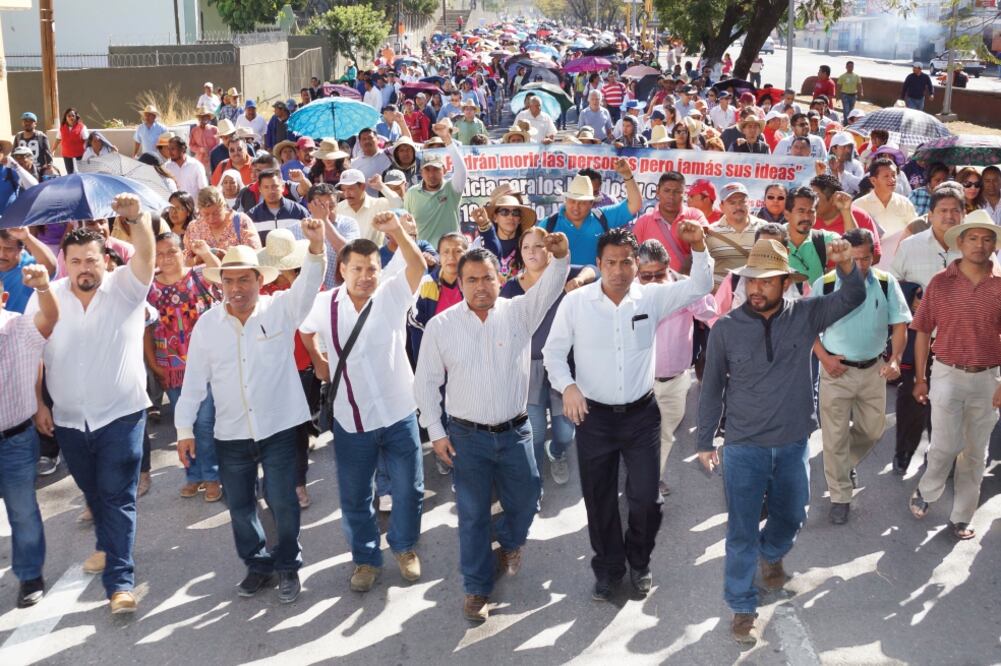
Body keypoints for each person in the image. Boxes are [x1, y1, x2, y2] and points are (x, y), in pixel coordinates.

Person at [696, 236, 863, 645]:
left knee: (793, 515)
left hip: (792, 442)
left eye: (767, 281)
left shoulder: (807, 314)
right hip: (743, 446)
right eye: (752, 280)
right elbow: (712, 386)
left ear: (786, 282)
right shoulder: (727, 329)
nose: (756, 289)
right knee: (739, 531)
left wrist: (845, 265)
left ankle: (771, 555)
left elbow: (854, 296)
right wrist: (705, 441)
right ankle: (741, 606)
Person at [544, 224, 712, 600]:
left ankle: (639, 562)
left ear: (636, 263)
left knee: (647, 500)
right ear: (599, 264)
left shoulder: (651, 299)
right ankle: (609, 569)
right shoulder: (576, 303)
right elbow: (553, 354)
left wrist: (699, 246)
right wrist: (568, 387)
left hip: (641, 417)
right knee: (599, 499)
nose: (619, 270)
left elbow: (699, 286)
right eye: (610, 262)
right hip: (594, 418)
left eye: (625, 262)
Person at [414, 235, 571, 623]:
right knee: (472, 516)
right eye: (471, 280)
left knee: (528, 496)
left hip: (517, 432)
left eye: (487, 278)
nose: (480, 286)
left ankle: (511, 541)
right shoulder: (441, 326)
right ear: (460, 281)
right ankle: (476, 588)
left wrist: (562, 255)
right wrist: (435, 431)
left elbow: (553, 283)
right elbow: (426, 382)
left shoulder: (519, 311)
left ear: (500, 278)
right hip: (467, 437)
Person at [174, 218, 325, 604]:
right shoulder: (207, 326)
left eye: (245, 280)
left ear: (261, 280)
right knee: (240, 506)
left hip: (278, 429)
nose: (237, 289)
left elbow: (308, 284)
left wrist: (316, 247)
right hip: (231, 435)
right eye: (230, 281)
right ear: (220, 284)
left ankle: (288, 565)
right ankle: (258, 565)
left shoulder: (281, 309)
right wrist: (183, 430)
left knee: (282, 500)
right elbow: (193, 384)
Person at [28, 194, 155, 614]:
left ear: (107, 261)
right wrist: (38, 404)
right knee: (94, 490)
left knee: (117, 495)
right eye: (77, 260)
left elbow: (147, 257)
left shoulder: (126, 290)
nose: (85, 267)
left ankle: (119, 581)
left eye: (92, 260)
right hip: (67, 419)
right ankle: (108, 544)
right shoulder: (47, 295)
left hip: (121, 415)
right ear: (65, 262)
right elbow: (35, 350)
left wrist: (135, 219)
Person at [299, 212, 426, 592]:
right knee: (356, 497)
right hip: (351, 420)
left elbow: (417, 265)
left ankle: (403, 547)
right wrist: (320, 359)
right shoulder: (324, 304)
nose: (365, 276)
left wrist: (397, 232)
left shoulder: (390, 293)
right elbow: (305, 331)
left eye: (372, 268)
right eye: (357, 269)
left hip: (398, 411)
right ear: (342, 269)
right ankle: (366, 559)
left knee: (410, 489)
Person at [909, 211, 1001, 541]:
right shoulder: (940, 282)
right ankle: (928, 489)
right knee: (946, 446)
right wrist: (920, 378)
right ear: (959, 242)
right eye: (973, 238)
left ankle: (962, 515)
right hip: (946, 373)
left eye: (987, 238)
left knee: (976, 453)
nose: (980, 245)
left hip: (989, 378)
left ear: (994, 244)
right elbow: (921, 330)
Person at [813, 228, 910, 524]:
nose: (859, 266)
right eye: (853, 260)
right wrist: (825, 359)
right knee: (834, 436)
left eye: (865, 259)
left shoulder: (885, 282)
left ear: (873, 255)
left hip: (873, 370)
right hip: (835, 372)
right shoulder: (826, 285)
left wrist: (895, 359)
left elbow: (899, 325)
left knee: (872, 430)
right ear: (841, 257)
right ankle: (840, 496)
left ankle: (843, 464)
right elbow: (806, 328)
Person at [499, 227, 596, 486]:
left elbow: (592, 269)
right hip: (526, 369)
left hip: (562, 366)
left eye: (538, 246)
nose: (532, 251)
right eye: (526, 247)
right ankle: (534, 481)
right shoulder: (510, 288)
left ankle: (557, 452)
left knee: (566, 431)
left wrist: (580, 281)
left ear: (549, 250)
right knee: (535, 431)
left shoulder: (564, 273)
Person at [634, 239, 717, 497]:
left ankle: (649, 479)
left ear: (668, 267)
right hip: (638, 383)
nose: (653, 281)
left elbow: (711, 314)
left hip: (676, 381)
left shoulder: (684, 288)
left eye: (658, 274)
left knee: (664, 436)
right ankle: (641, 482)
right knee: (637, 437)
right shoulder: (628, 292)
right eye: (646, 276)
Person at [145, 233, 222, 500]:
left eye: (171, 252)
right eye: (160, 254)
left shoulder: (199, 276)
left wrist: (205, 250)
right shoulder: (150, 289)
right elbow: (146, 329)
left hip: (206, 364)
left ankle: (212, 476)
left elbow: (221, 275)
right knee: (184, 422)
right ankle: (193, 474)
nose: (165, 258)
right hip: (173, 368)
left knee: (204, 422)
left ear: (182, 252)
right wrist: (155, 364)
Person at [0, 263, 58, 608]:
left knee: (22, 511)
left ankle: (30, 575)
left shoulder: (19, 328)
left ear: (3, 297)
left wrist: (43, 288)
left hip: (16, 440)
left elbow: (50, 319)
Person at [540, 161, 642, 266]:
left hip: (596, 281)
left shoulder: (602, 217)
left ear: (591, 203)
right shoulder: (548, 224)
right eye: (572, 201)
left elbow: (635, 204)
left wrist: (627, 175)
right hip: (558, 281)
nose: (576, 207)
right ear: (565, 199)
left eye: (582, 203)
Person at [404, 123, 467, 246]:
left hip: (451, 253)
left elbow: (462, 171)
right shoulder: (411, 193)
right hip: (423, 256)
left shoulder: (452, 188)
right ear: (421, 172)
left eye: (436, 169)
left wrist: (447, 139)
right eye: (427, 170)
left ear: (444, 170)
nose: (431, 174)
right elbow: (408, 226)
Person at [632, 171, 709, 273]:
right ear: (658, 192)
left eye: (677, 192)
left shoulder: (695, 215)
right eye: (667, 191)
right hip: (652, 284)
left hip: (688, 284)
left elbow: (706, 241)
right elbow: (634, 257)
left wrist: (689, 261)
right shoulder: (643, 222)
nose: (671, 196)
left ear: (684, 193)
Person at [704, 182, 767, 287]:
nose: (738, 206)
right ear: (721, 206)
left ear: (749, 203)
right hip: (720, 297)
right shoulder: (710, 232)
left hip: (755, 296)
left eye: (742, 202)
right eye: (732, 203)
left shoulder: (764, 229)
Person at [810, 174, 882, 258]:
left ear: (833, 199)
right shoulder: (806, 218)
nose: (811, 202)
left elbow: (875, 256)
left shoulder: (860, 216)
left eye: (815, 198)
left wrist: (841, 269)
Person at [183, 186, 260, 264]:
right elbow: (185, 263)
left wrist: (230, 256)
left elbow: (255, 254)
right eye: (206, 214)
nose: (211, 218)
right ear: (199, 211)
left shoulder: (241, 221)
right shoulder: (194, 228)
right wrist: (198, 259)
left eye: (216, 213)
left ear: (224, 206)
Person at [784, 187, 841, 284]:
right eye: (801, 211)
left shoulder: (823, 239)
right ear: (787, 214)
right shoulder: (773, 238)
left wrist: (846, 210)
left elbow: (853, 245)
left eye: (811, 212)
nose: (806, 217)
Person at [334, 169, 403, 244]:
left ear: (363, 187)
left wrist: (381, 186)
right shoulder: (338, 208)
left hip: (376, 255)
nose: (346, 194)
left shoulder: (379, 204)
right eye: (343, 190)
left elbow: (399, 205)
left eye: (350, 189)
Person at [853, 158, 918, 238]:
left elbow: (915, 230)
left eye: (893, 175)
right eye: (886, 176)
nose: (892, 179)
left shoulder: (905, 203)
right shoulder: (859, 205)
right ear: (873, 180)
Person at [0, 227, 57, 315]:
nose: (2, 255)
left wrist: (26, 237)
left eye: (8, 249)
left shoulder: (29, 267)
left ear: (21, 249)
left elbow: (50, 266)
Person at [246, 169, 309, 236]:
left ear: (283, 187)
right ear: (260, 189)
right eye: (266, 187)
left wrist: (302, 179)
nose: (271, 191)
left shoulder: (299, 212)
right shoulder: (251, 216)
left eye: (274, 186)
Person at [52, 108, 87, 174]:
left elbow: (87, 140)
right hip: (67, 155)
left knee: (82, 173)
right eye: (69, 116)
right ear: (66, 118)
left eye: (73, 115)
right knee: (70, 173)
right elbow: (58, 139)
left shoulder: (82, 127)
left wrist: (89, 153)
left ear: (76, 117)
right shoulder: (62, 128)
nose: (71, 117)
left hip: (80, 155)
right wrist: (53, 150)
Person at [189, 107, 219, 172]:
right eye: (202, 117)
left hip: (213, 160)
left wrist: (211, 152)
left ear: (209, 118)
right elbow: (191, 145)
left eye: (206, 117)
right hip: (199, 161)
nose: (204, 119)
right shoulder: (194, 130)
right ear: (199, 118)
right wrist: (200, 149)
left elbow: (219, 145)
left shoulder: (214, 129)